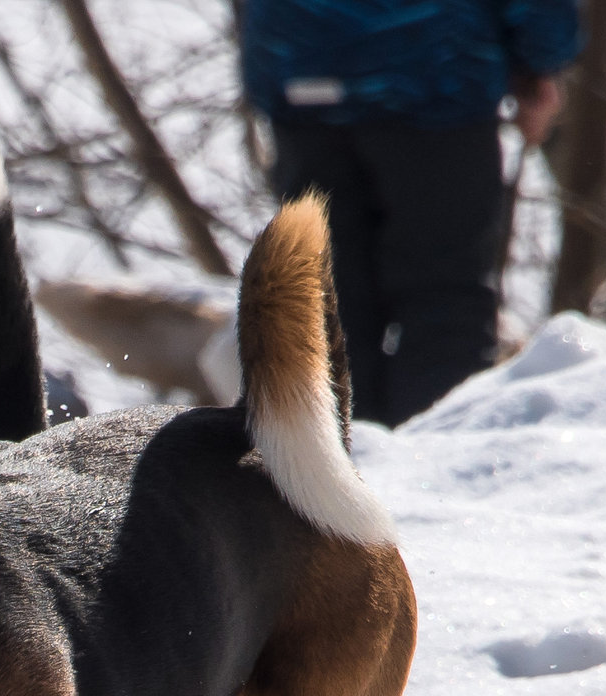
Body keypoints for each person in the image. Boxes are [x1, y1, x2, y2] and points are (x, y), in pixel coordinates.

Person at [240, 0, 583, 425]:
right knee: (442, 301)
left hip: (299, 72)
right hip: (435, 80)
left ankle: (333, 463)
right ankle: (431, 468)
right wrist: (541, 62)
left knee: (327, 298)